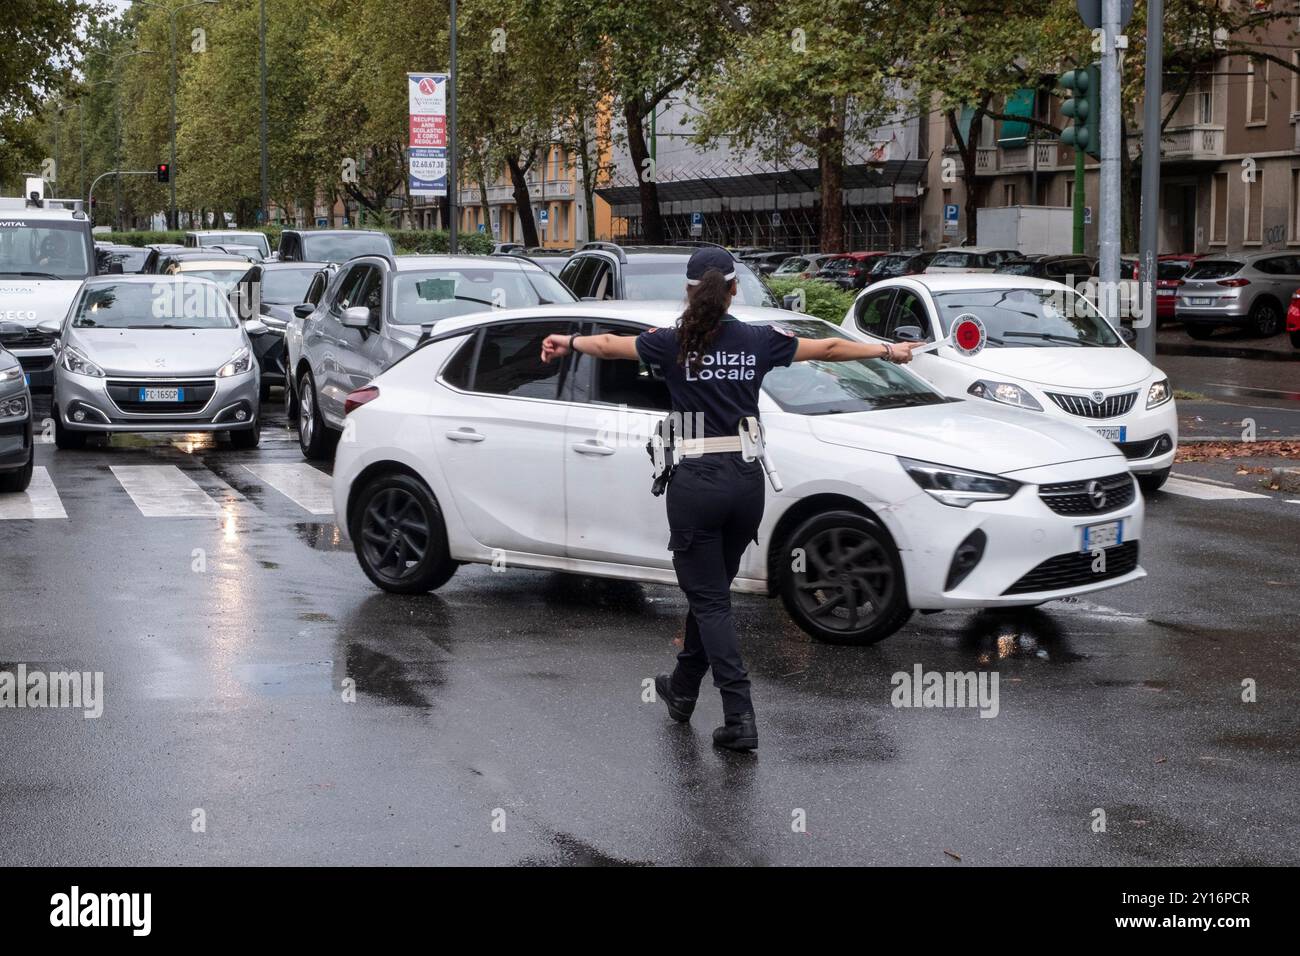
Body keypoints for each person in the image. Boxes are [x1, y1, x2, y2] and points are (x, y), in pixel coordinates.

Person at [540, 246, 919, 752]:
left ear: (689, 290)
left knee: (711, 598)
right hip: (746, 481)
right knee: (710, 591)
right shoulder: (759, 339)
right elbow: (827, 350)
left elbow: (610, 345)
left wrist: (567, 340)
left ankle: (740, 715)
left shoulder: (672, 341)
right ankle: (682, 690)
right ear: (734, 288)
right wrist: (888, 352)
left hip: (697, 481)